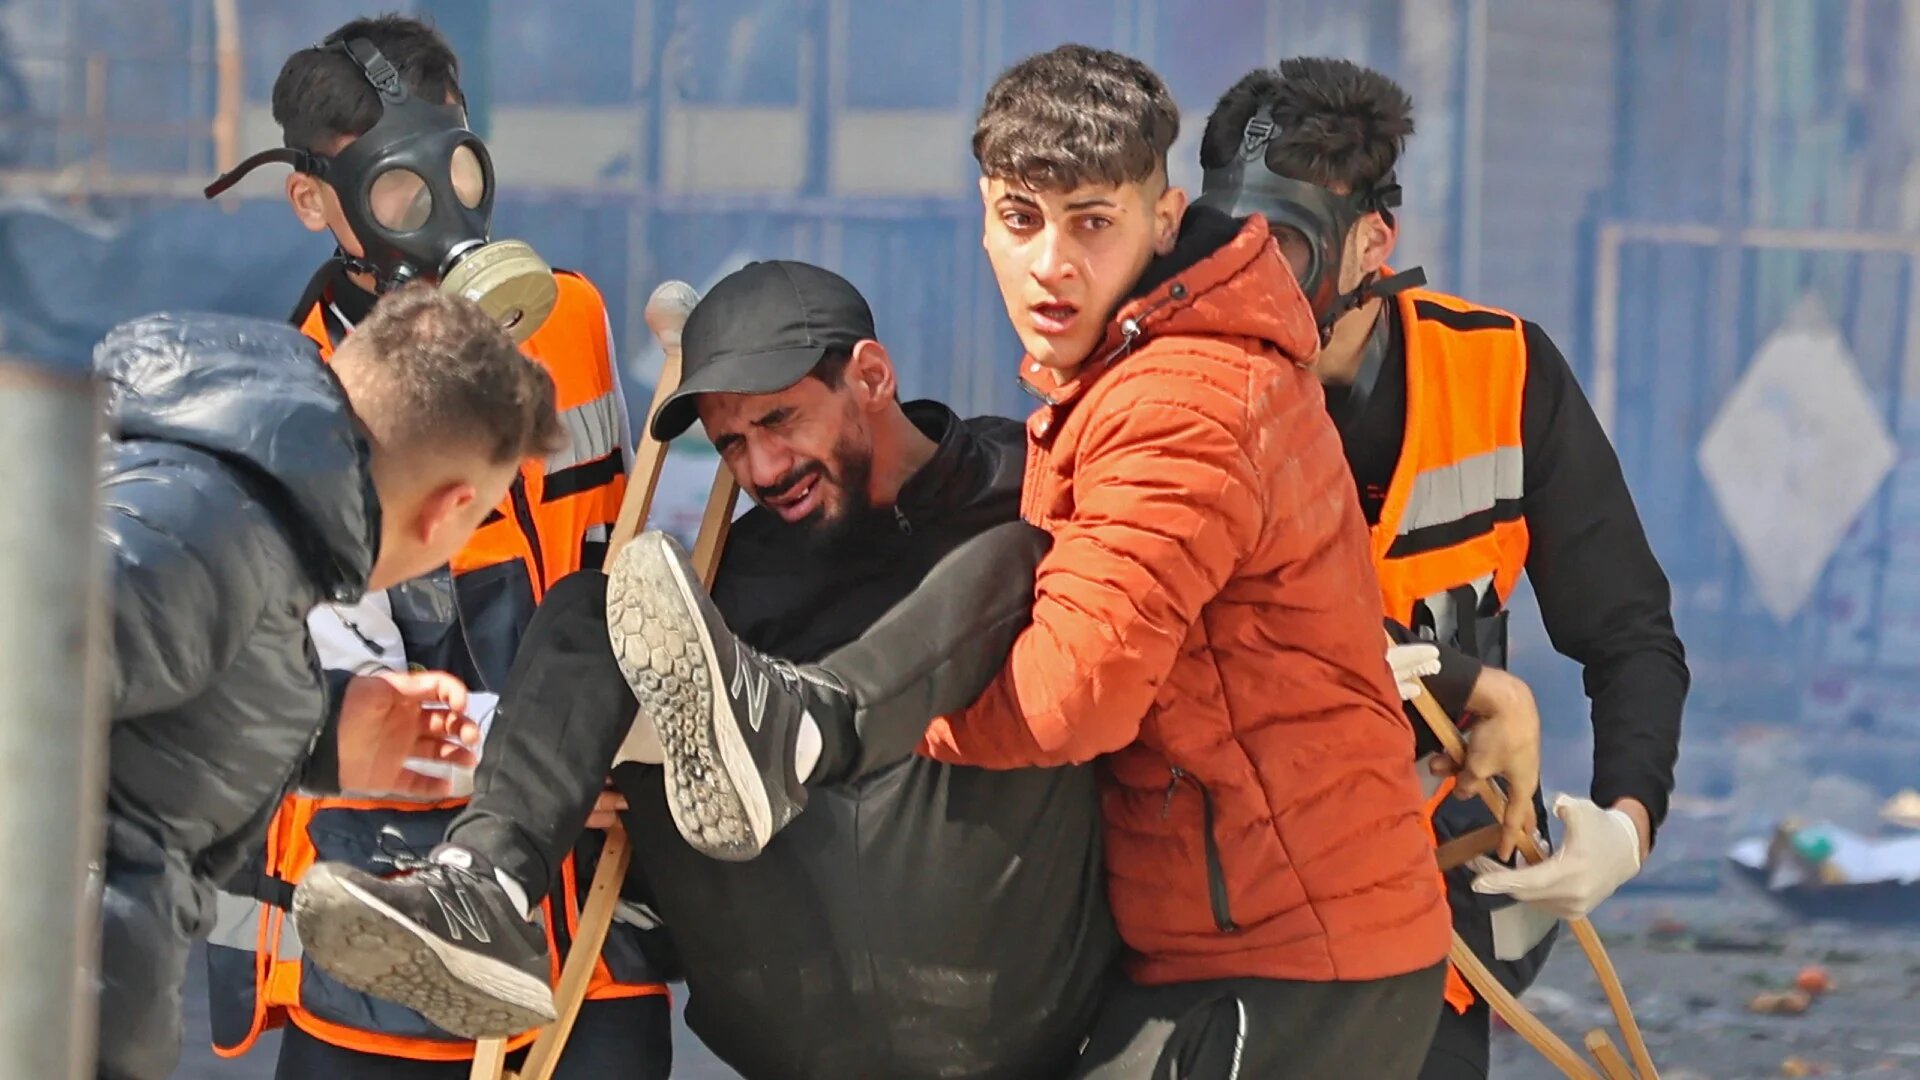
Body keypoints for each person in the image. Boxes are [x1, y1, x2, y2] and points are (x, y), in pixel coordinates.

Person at [614, 45, 1460, 1078]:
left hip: (1292, 953)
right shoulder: (1129, 374)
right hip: (1229, 935)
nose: (1050, 262)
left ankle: (805, 727)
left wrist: (878, 752)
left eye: (1091, 222)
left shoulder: (1181, 401)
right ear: (983, 217)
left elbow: (1073, 701)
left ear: (1161, 218)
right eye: (1021, 220)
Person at [291, 260, 1121, 1079]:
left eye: (782, 420)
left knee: (1027, 553)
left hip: (991, 976)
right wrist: (592, 759)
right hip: (792, 994)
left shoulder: (1033, 484)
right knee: (594, 609)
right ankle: (485, 892)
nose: (761, 470)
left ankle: (794, 728)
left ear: (870, 375)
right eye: (732, 443)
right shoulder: (737, 569)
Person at [1191, 58, 1690, 1079]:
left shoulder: (1503, 374)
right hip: (1227, 898)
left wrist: (1625, 823)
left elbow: (1630, 630)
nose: (1258, 283)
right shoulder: (1179, 396)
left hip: (1433, 906)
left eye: (1287, 246)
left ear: (1375, 239)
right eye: (1233, 245)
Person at [197, 15, 671, 1079]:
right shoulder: (296, 409)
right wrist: (539, 763)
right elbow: (337, 702)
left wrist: (613, 740)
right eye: (398, 190)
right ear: (317, 201)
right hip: (387, 944)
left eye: (455, 165)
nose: (442, 214)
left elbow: (613, 573)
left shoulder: (569, 325)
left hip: (588, 930)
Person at [95, 285, 561, 1080]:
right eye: (481, 516)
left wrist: (316, 733)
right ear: (451, 509)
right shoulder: (206, 526)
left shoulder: (241, 518)